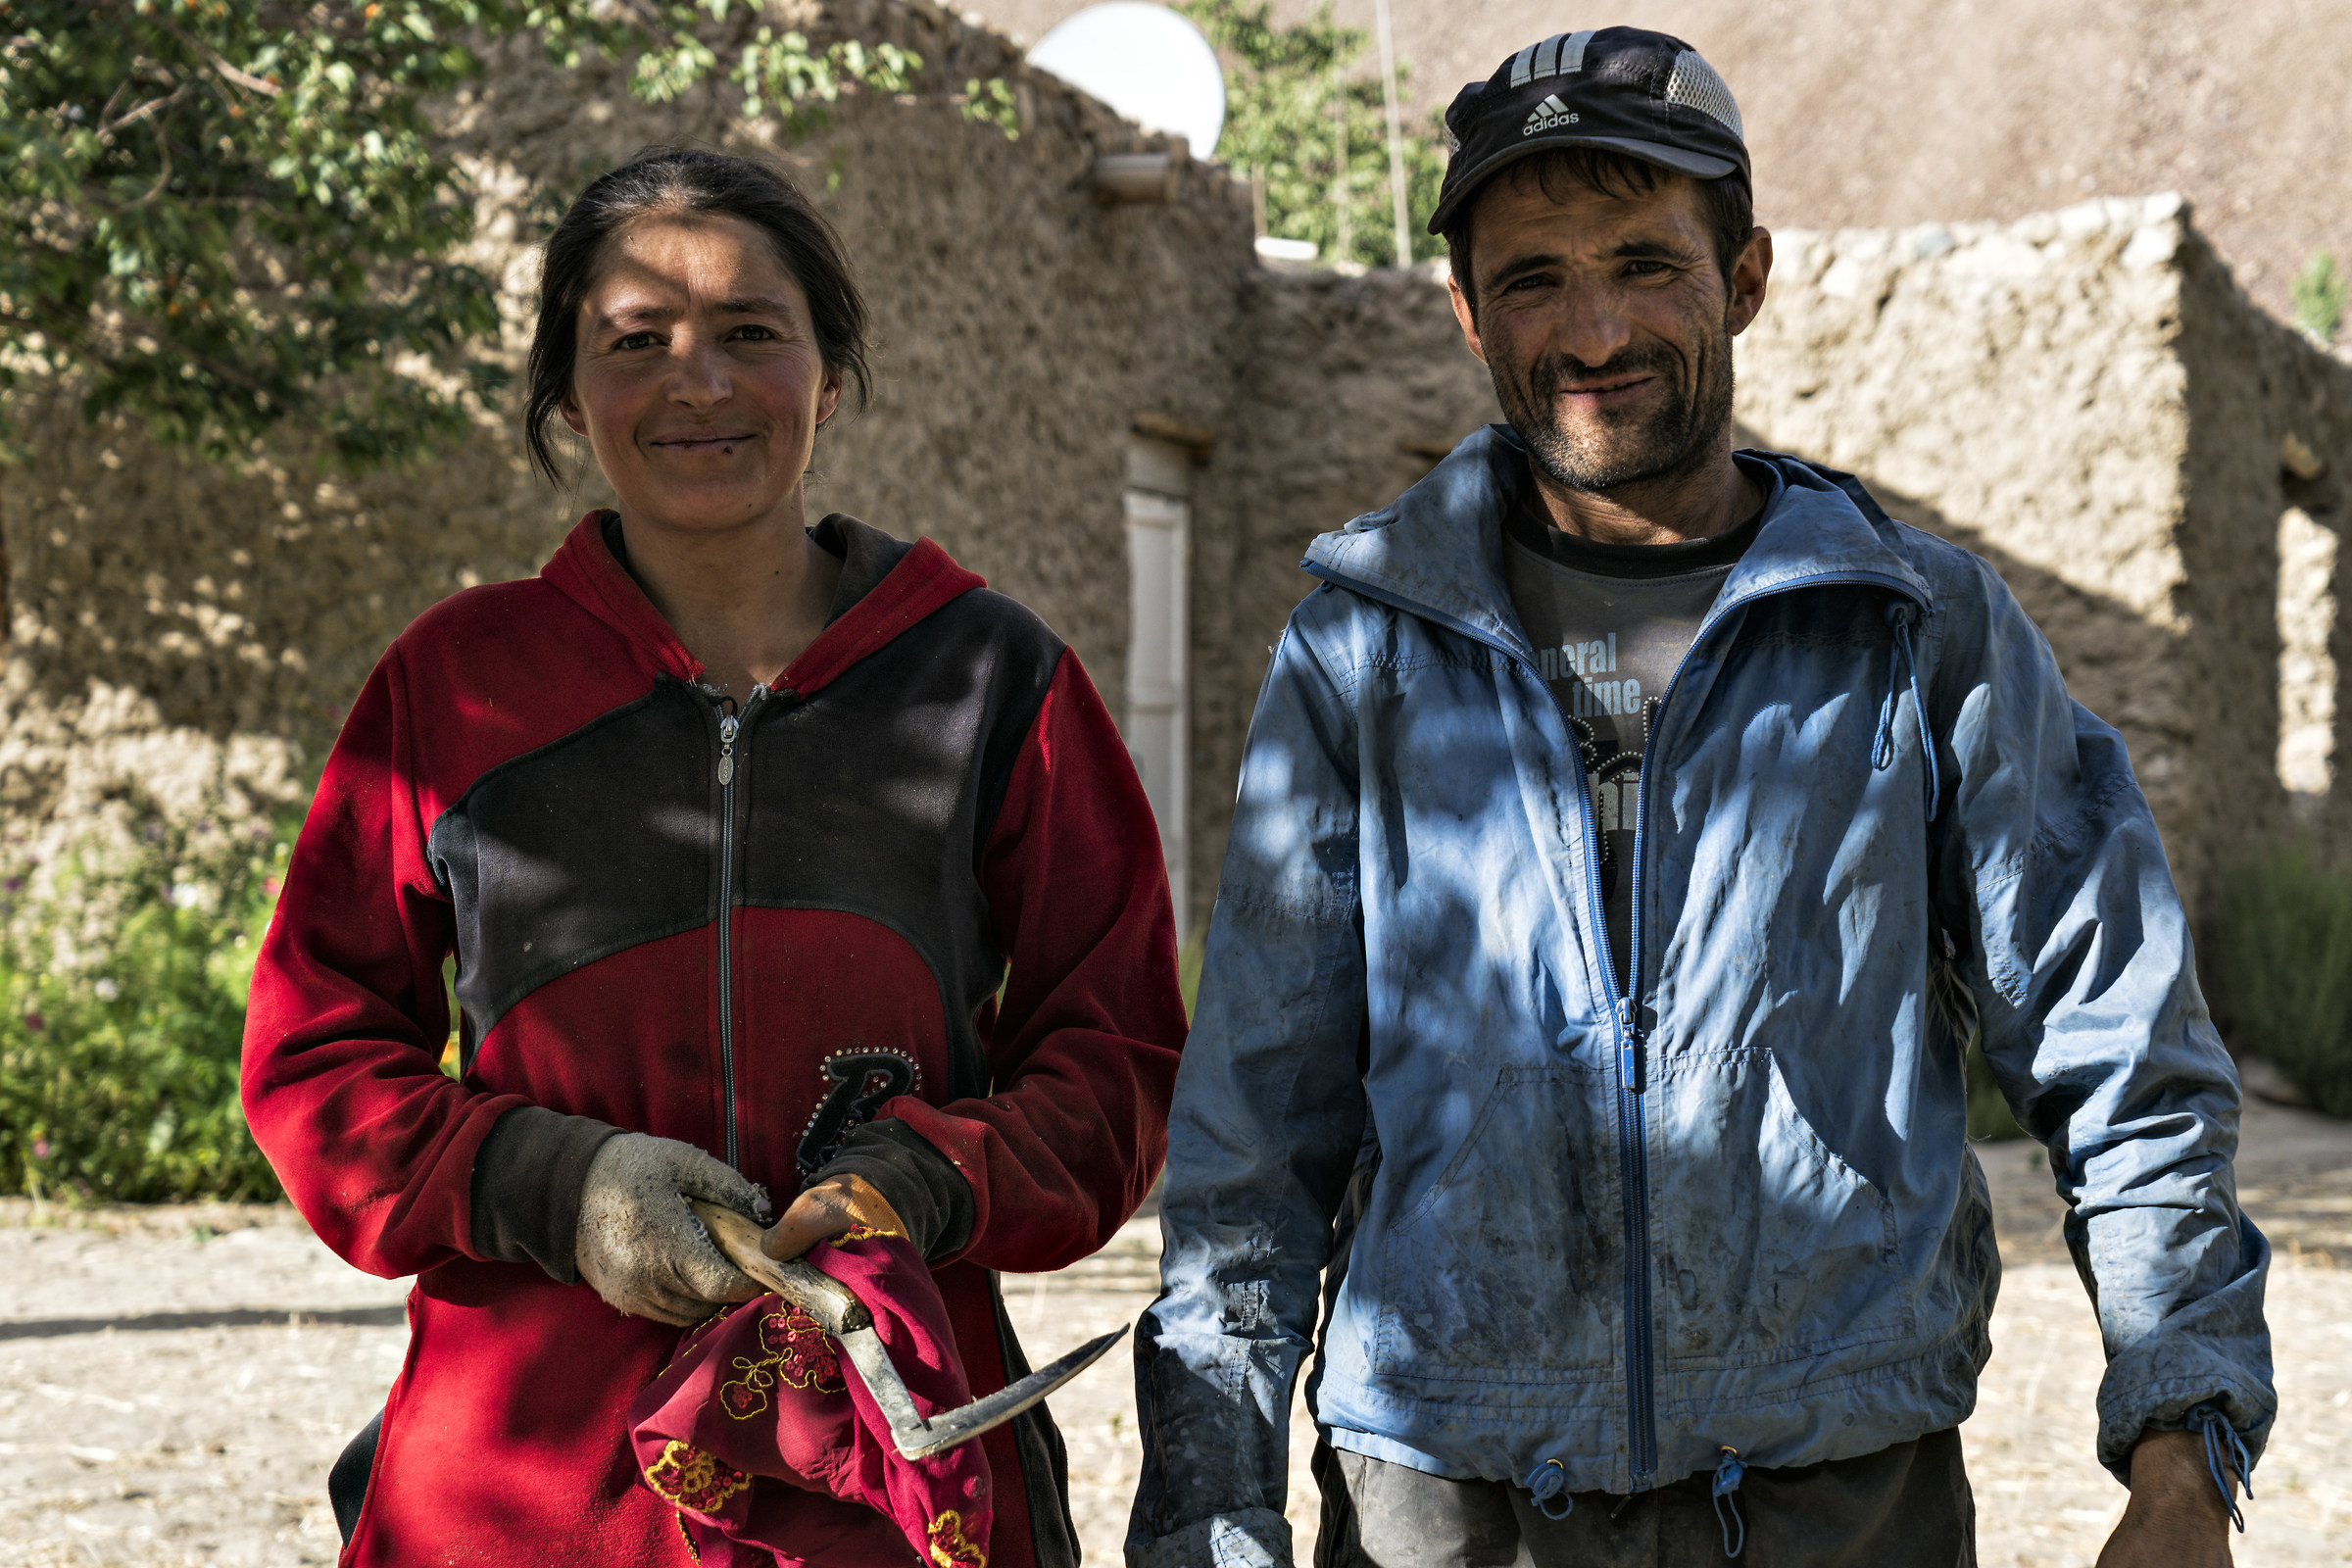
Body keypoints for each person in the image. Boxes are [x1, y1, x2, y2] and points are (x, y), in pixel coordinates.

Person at [1129, 27, 2272, 1568]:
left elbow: (2118, 1054)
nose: (1593, 329)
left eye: (1645, 265)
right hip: (1447, 1503)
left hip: (1835, 1502)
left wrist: (2181, 1450)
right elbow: (1255, 1143)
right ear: (1466, 312)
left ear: (1744, 278)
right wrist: (1208, 1512)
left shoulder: (1913, 631)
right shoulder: (1365, 654)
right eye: (1533, 279)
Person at [241, 146, 1188, 1566]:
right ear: (570, 395)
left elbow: (1119, 1062)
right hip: (528, 1493)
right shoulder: (458, 683)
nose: (699, 383)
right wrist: (564, 1187)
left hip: (880, 1470)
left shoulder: (989, 679)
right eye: (638, 341)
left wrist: (927, 1177)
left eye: (752, 331)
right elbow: (313, 1062)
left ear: (831, 375)